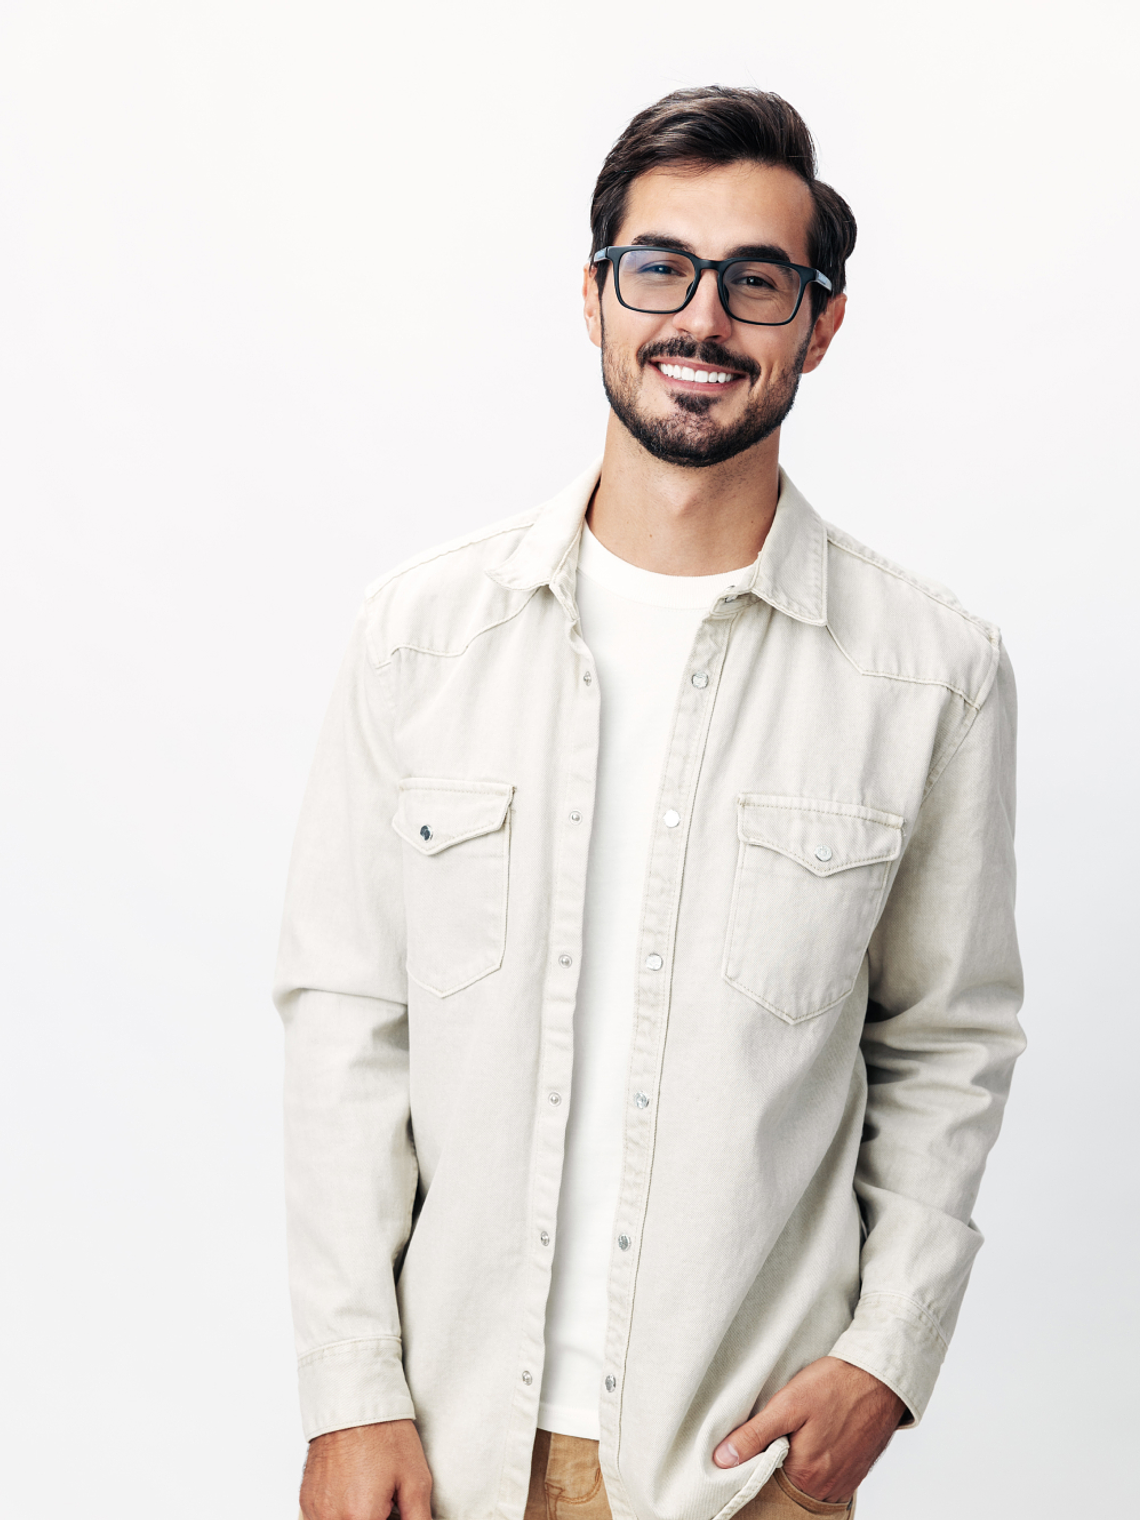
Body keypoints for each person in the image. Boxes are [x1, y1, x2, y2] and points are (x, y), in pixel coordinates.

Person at [275, 86, 1024, 1520]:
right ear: (594, 295)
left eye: (758, 281)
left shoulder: (930, 675)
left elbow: (949, 1043)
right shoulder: (422, 639)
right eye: (660, 268)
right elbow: (347, 1026)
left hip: (745, 1467)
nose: (702, 318)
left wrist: (887, 1356)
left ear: (821, 325)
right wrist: (349, 1390)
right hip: (440, 1449)